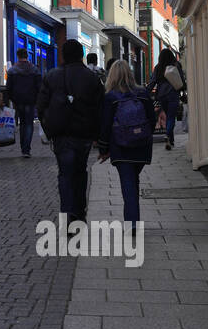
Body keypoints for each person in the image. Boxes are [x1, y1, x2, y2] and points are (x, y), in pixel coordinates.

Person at [37, 39, 104, 223]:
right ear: (81, 55)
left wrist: (48, 128)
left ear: (63, 55)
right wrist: (98, 136)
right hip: (83, 134)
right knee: (80, 172)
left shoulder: (51, 76)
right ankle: (79, 212)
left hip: (61, 134)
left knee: (65, 173)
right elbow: (100, 108)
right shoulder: (92, 78)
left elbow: (41, 106)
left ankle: (67, 212)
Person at [97, 60, 157, 235]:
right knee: (132, 180)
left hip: (121, 147)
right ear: (130, 74)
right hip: (142, 147)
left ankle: (132, 222)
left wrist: (103, 148)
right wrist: (143, 135)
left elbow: (105, 124)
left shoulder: (111, 97)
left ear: (112, 75)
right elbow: (151, 120)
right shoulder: (143, 93)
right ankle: (133, 218)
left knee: (128, 183)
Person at [147, 49, 187, 151]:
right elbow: (181, 80)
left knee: (168, 116)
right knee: (170, 117)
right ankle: (168, 135)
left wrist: (145, 92)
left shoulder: (158, 67)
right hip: (173, 94)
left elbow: (152, 82)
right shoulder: (176, 65)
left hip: (162, 95)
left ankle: (171, 140)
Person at [6, 49, 42, 158]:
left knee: (22, 123)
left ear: (18, 56)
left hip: (18, 100)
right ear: (27, 56)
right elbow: (39, 86)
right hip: (31, 100)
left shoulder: (12, 70)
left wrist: (11, 99)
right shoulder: (34, 70)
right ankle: (27, 148)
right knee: (29, 123)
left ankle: (23, 148)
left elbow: (9, 87)